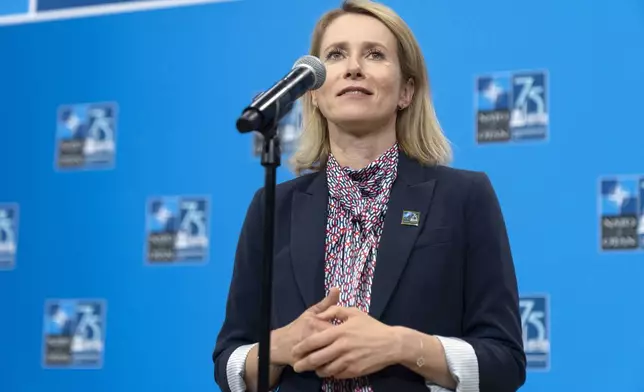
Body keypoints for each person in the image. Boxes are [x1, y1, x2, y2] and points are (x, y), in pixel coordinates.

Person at [212, 1, 526, 391]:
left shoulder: (464, 197)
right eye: (335, 55)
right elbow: (228, 363)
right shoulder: (272, 207)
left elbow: (505, 363)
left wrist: (401, 345)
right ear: (312, 93)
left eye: (375, 54)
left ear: (406, 92)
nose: (353, 67)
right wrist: (280, 346)